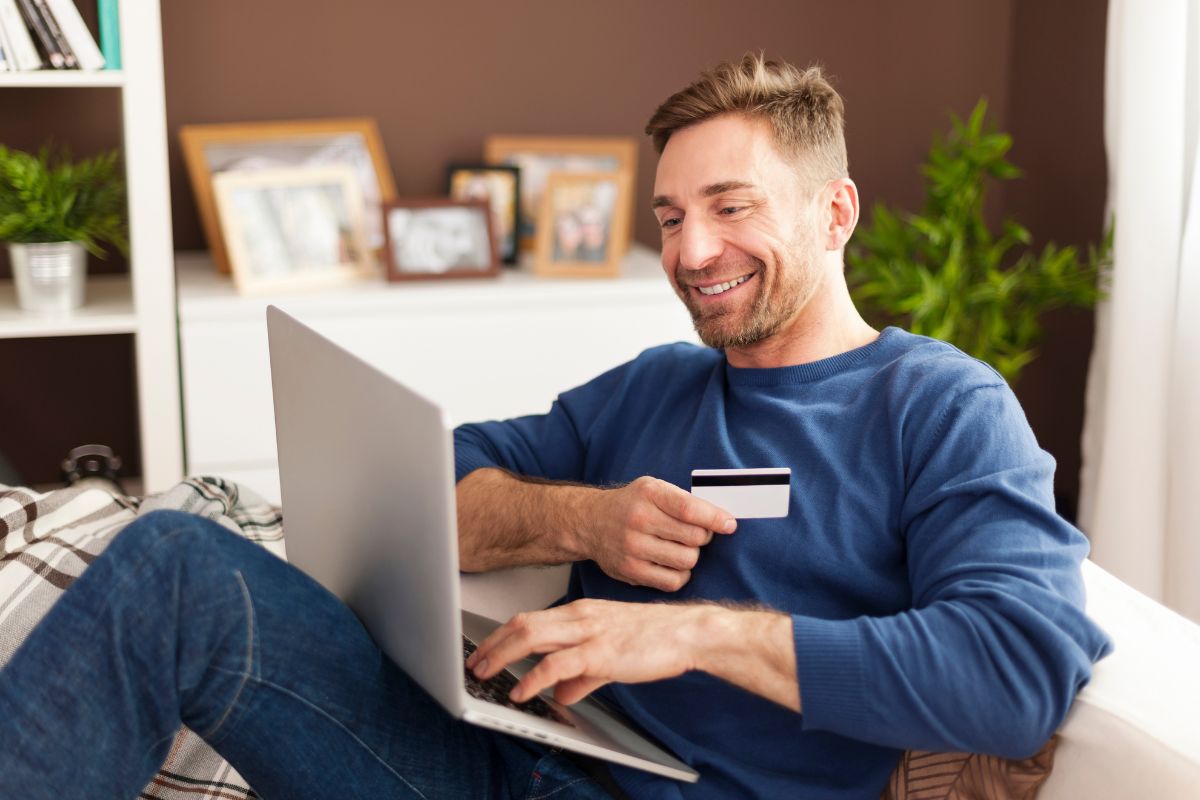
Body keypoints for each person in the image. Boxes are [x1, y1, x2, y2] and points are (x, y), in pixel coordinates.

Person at [0, 55, 1111, 800]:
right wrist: (585, 516)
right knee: (171, 565)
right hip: (514, 754)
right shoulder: (655, 386)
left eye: (732, 206)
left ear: (835, 212)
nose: (690, 250)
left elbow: (1017, 673)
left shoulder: (942, 405)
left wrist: (692, 630)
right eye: (671, 216)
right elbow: (428, 483)